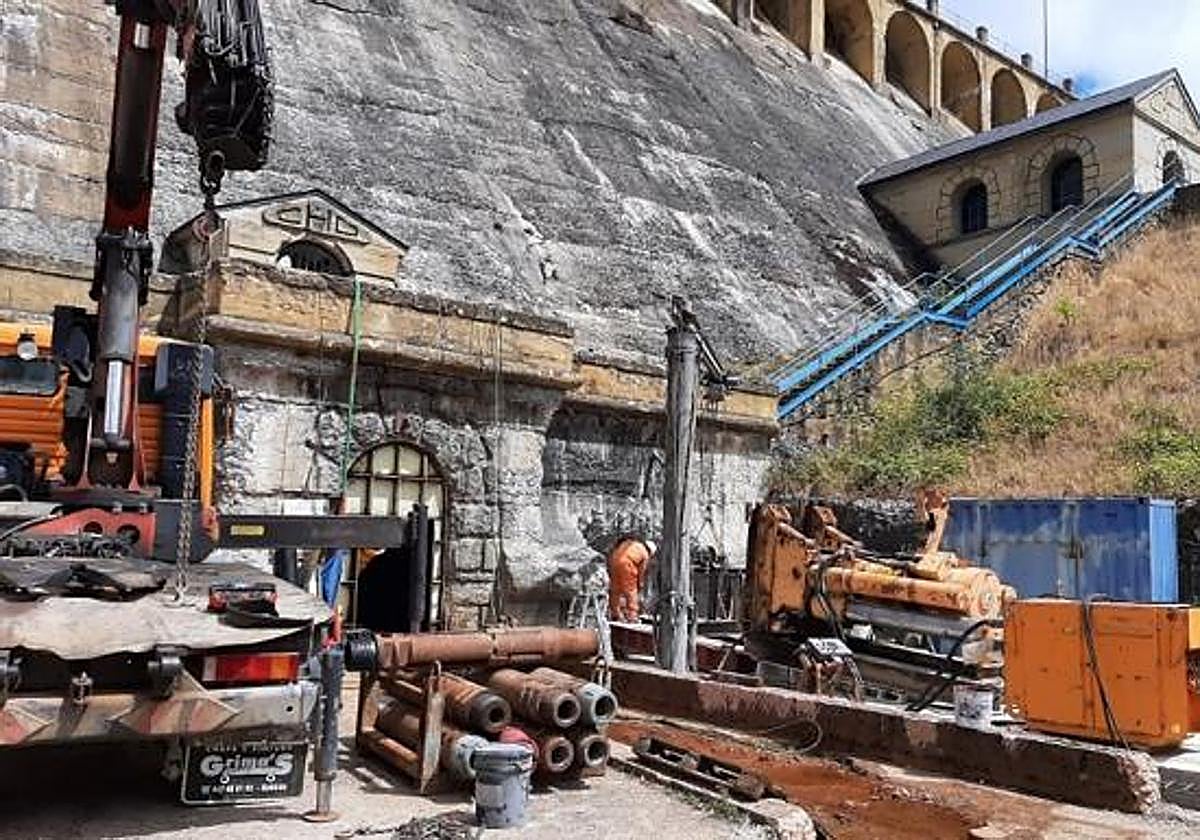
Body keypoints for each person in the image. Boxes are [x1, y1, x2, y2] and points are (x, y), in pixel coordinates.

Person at [607, 537, 656, 621]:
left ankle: (615, 613)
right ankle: (632, 616)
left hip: (613, 560)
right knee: (631, 590)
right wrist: (640, 583)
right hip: (627, 564)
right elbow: (642, 571)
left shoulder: (632, 544)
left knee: (615, 589)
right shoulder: (645, 554)